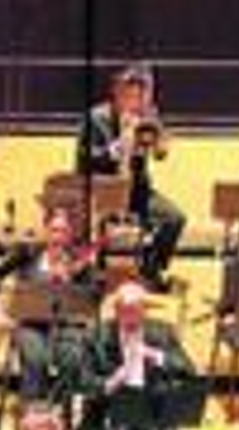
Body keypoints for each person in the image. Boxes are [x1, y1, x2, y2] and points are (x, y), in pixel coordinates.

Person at [79, 281, 197, 430]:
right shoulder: (97, 335)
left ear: (145, 310)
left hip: (151, 408)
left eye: (136, 311)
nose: (131, 318)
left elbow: (188, 369)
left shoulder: (162, 332)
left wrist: (158, 357)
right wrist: (112, 381)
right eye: (125, 311)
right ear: (116, 310)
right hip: (110, 409)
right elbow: (84, 382)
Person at [77, 64, 185, 288]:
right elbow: (84, 156)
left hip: (136, 190)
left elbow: (161, 152)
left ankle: (150, 269)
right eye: (129, 95)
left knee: (174, 219)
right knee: (101, 227)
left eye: (139, 96)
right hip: (102, 189)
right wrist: (117, 147)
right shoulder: (96, 118)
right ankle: (94, 273)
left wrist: (154, 140)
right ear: (117, 93)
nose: (134, 102)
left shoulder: (146, 116)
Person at [0, 205, 99, 404]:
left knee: (72, 358)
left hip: (67, 325)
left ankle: (61, 415)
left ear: (70, 235)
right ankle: (31, 415)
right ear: (46, 231)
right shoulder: (28, 253)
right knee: (36, 358)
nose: (58, 236)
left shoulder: (79, 263)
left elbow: (94, 296)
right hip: (30, 324)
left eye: (64, 231)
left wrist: (73, 281)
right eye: (54, 230)